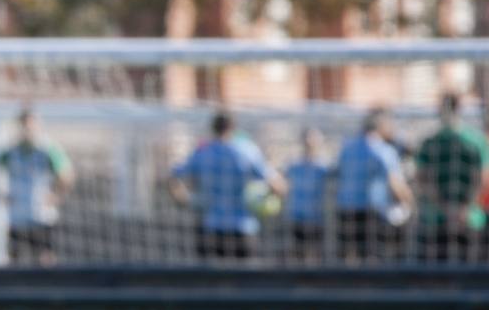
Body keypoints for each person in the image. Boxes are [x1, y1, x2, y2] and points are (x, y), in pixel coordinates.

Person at [170, 111, 286, 260]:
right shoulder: (247, 151)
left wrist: (185, 200)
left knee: (212, 281)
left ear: (212, 128)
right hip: (242, 230)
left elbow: (174, 175)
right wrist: (264, 200)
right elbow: (278, 186)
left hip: (211, 229)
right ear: (233, 128)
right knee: (244, 281)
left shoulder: (202, 153)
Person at [0, 109, 74, 266]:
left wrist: (56, 195)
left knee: (44, 259)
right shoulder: (11, 151)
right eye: (24, 126)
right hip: (17, 217)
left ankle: (47, 289)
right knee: (14, 260)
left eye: (31, 126)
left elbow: (67, 174)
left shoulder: (46, 149)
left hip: (41, 216)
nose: (27, 130)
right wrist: (0, 195)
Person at [334, 108, 414, 262]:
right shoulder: (383, 150)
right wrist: (411, 202)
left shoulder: (347, 148)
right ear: (382, 125)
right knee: (373, 259)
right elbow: (396, 184)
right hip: (371, 213)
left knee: (349, 259)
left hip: (345, 210)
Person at [415, 93, 483, 262]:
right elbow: (481, 180)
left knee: (436, 277)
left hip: (437, 217)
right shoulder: (476, 141)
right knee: (473, 276)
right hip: (469, 218)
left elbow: (422, 180)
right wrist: (464, 209)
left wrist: (445, 208)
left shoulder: (429, 143)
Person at [284, 127, 333, 263]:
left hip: (316, 217)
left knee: (316, 255)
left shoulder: (324, 166)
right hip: (298, 216)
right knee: (297, 255)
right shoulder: (293, 164)